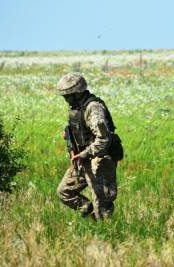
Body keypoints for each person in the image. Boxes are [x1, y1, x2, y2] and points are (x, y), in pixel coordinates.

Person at [56, 72, 122, 220]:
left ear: (77, 93)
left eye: (68, 95)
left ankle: (106, 232)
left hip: (100, 160)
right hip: (82, 159)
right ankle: (91, 216)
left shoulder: (94, 108)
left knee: (102, 203)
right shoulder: (76, 107)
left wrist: (85, 153)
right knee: (64, 192)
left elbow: (104, 139)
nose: (66, 99)